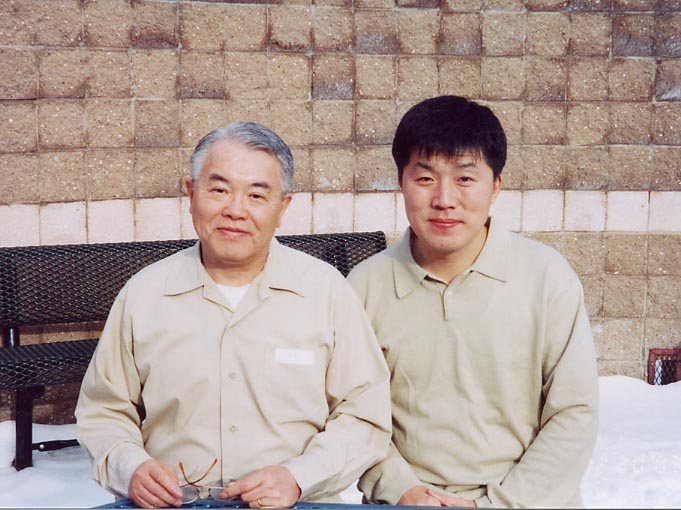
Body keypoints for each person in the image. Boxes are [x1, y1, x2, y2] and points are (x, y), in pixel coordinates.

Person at [75, 121, 392, 509]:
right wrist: (131, 468)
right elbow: (103, 410)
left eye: (257, 195)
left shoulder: (326, 292)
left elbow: (364, 416)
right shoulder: (145, 294)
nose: (235, 211)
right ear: (191, 194)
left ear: (283, 207)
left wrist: (298, 477)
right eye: (219, 190)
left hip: (300, 502)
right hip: (174, 503)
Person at [347, 96, 599, 508]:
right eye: (425, 178)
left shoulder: (547, 277)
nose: (445, 199)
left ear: (496, 185)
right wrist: (404, 491)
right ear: (401, 182)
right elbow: (353, 414)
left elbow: (574, 413)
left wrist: (497, 505)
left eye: (465, 178)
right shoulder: (363, 287)